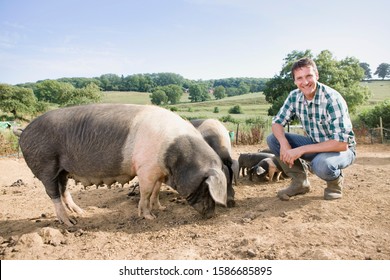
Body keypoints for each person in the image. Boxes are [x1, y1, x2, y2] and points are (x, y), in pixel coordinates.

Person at [266, 57, 356, 201]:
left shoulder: (332, 99)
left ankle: (334, 184)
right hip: (314, 144)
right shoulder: (294, 96)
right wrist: (284, 143)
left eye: (309, 76)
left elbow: (341, 143)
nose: (305, 82)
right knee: (273, 139)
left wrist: (300, 150)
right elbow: (277, 122)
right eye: (299, 78)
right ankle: (300, 182)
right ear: (295, 81)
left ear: (317, 75)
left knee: (322, 164)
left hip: (341, 150)